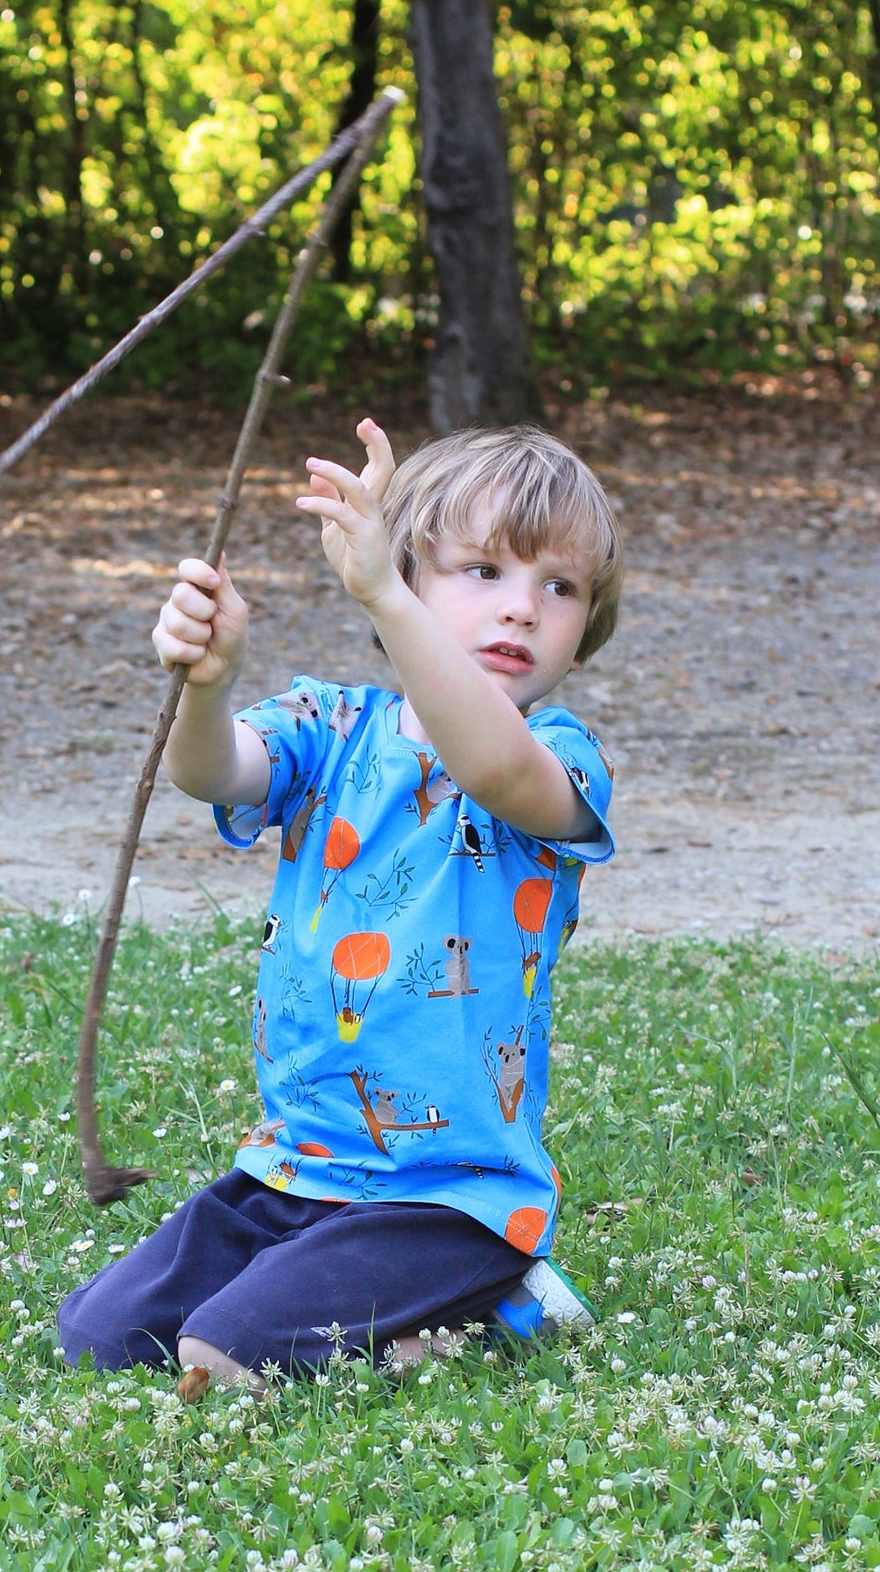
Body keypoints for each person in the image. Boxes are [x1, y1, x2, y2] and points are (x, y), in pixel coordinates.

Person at [58, 418, 624, 1392]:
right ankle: (389, 1301)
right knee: (100, 1333)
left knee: (224, 1348)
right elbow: (214, 770)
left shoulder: (559, 758)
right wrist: (208, 682)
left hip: (448, 1197)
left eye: (558, 586)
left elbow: (488, 763)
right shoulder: (329, 728)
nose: (522, 608)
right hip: (293, 1168)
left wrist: (385, 596)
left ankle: (497, 1298)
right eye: (483, 570)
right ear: (407, 569)